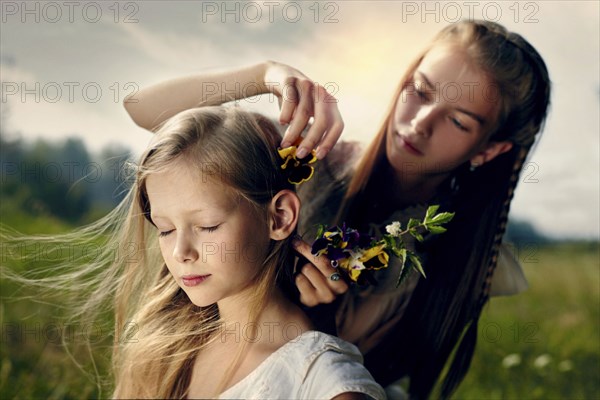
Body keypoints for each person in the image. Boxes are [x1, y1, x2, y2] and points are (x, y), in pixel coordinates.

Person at [123, 20, 551, 398]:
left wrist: (320, 319)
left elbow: (333, 376)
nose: (419, 122)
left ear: (490, 149)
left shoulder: (450, 260)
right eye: (418, 91)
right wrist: (266, 74)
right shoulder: (314, 157)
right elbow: (142, 108)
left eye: (458, 121)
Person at [2, 106, 386, 399]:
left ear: (279, 217)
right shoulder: (167, 346)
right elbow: (138, 103)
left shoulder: (323, 381)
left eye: (207, 226)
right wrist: (263, 72)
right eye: (165, 229)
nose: (181, 252)